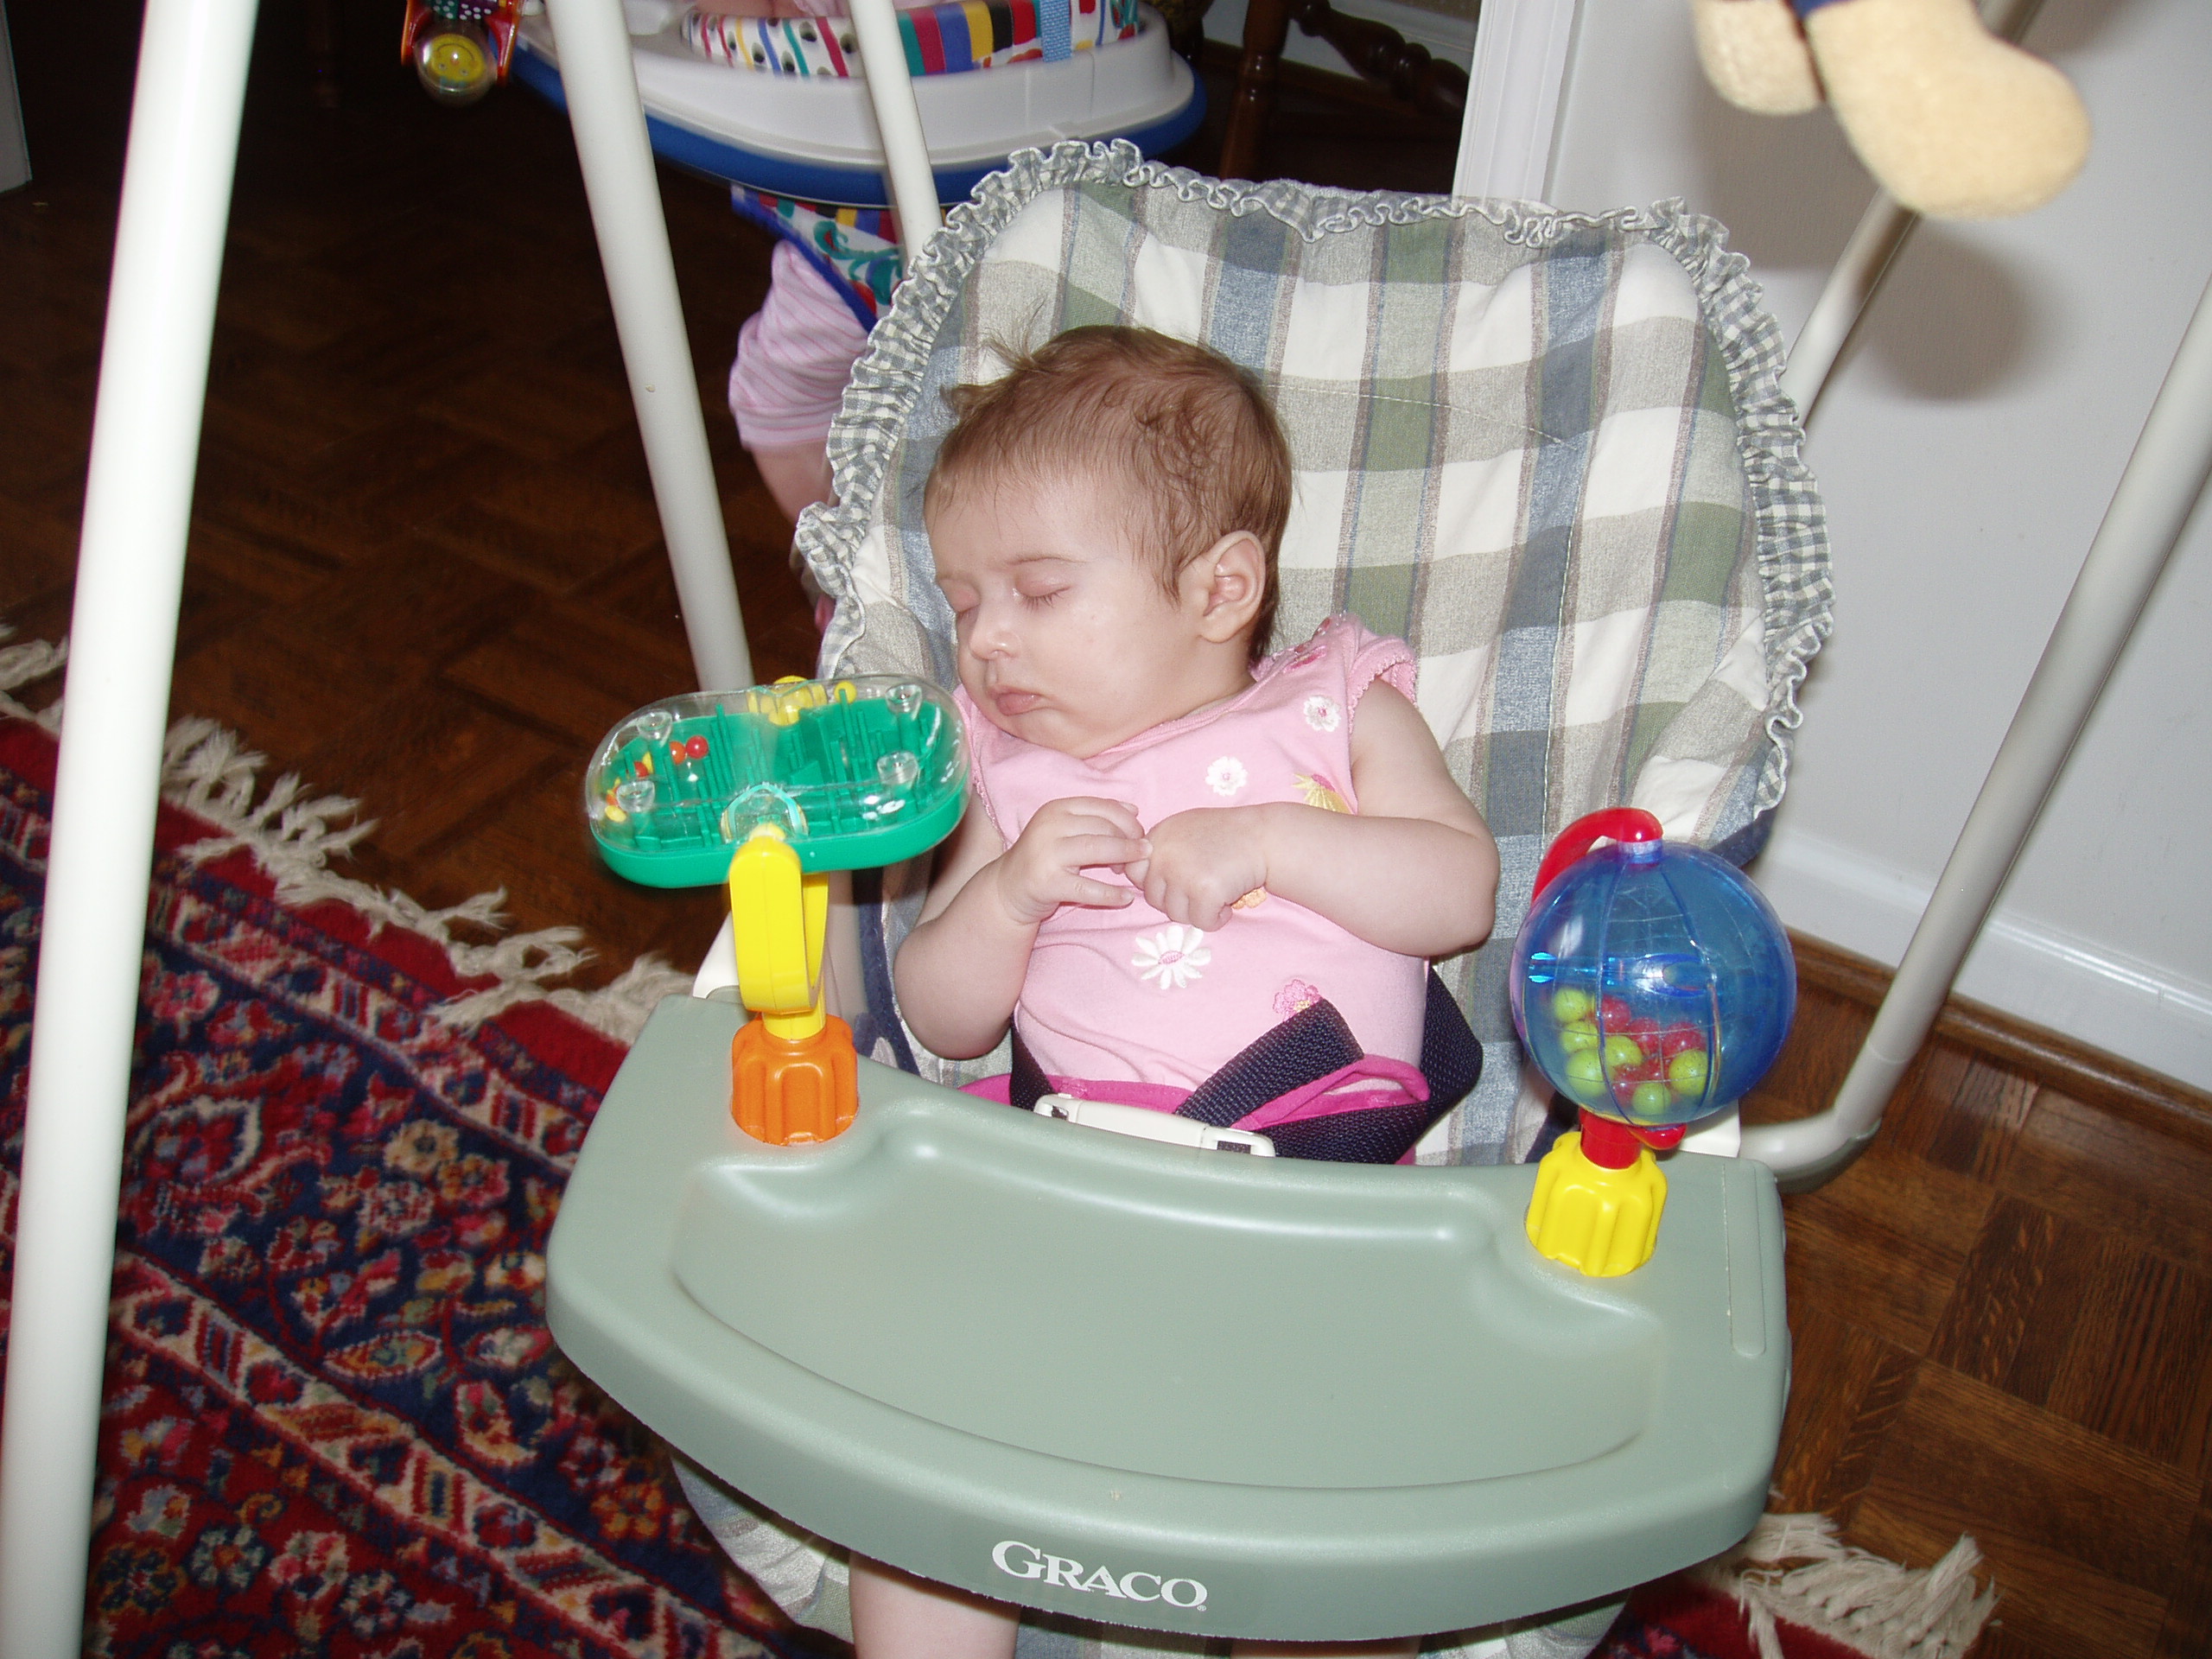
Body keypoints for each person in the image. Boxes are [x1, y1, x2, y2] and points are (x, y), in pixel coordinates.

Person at [870, 327, 1499, 1658]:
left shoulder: (1334, 707)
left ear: (1221, 589)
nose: (986, 643)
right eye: (964, 603)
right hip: (1062, 1190)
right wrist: (1009, 895)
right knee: (927, 1467)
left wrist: (1274, 842)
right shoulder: (1009, 769)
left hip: (1308, 1208)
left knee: (1325, 1533)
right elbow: (939, 1014)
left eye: (1040, 591)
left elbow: (1460, 894)